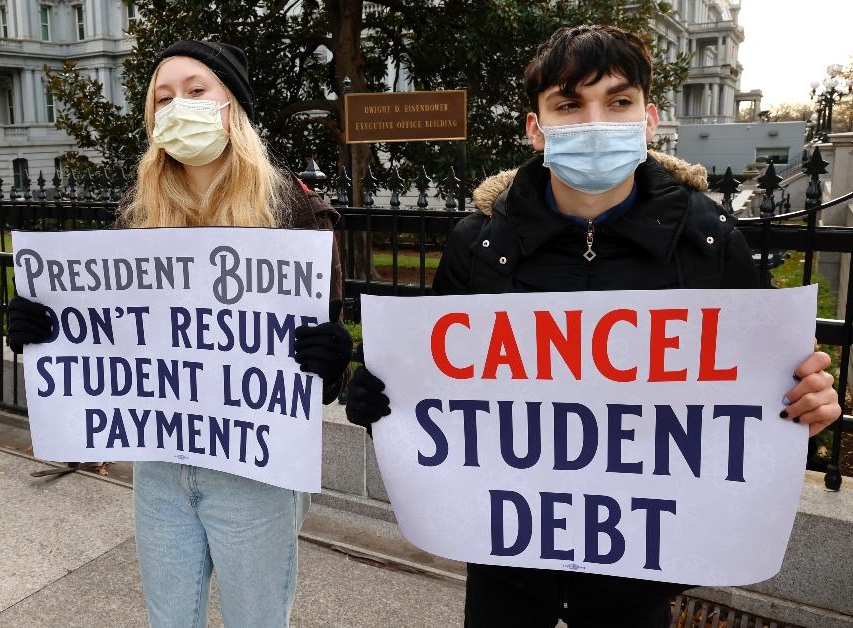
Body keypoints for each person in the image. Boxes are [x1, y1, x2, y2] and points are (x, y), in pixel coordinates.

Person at [344, 25, 842, 627]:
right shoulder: (479, 246)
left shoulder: (708, 244)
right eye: (569, 105)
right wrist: (381, 399)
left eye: (618, 102)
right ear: (536, 127)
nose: (594, 122)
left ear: (649, 119)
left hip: (639, 572)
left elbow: (765, 405)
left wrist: (807, 407)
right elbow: (432, 399)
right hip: (508, 565)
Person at [6, 41, 352, 627]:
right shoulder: (142, 211)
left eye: (196, 91)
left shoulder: (292, 210)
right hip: (161, 465)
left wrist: (329, 356)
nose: (177, 107)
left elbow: (324, 374)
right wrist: (44, 330)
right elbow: (111, 332)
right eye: (162, 99)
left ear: (233, 106)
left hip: (255, 470)